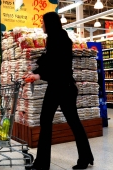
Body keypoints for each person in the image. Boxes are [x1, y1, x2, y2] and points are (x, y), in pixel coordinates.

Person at [26, 12, 94, 170]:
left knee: (47, 120)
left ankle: (42, 164)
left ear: (49, 23)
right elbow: (49, 60)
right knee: (73, 123)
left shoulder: (59, 39)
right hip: (62, 86)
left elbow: (57, 65)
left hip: (61, 87)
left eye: (42, 23)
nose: (41, 25)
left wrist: (39, 75)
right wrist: (36, 71)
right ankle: (85, 157)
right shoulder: (57, 37)